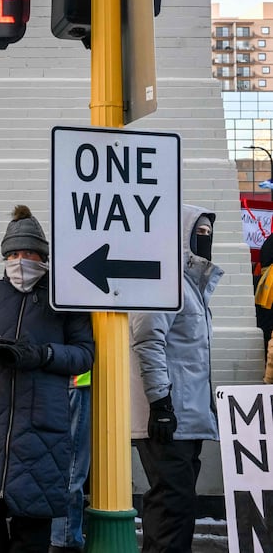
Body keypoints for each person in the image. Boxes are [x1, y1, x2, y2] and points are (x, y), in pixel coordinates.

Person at [0, 205, 94, 553]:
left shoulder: (63, 297)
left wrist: (43, 354)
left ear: (42, 256)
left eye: (27, 253)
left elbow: (85, 354)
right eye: (12, 254)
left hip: (40, 433)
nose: (19, 261)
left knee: (31, 538)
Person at [130, 204, 221, 553]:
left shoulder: (189, 285)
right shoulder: (164, 279)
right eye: (198, 233)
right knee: (172, 508)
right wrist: (161, 403)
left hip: (185, 419)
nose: (205, 240)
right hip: (169, 419)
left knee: (175, 508)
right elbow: (147, 340)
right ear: (181, 236)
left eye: (209, 234)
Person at [49, 370, 91, 553]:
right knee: (73, 467)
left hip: (58, 382)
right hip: (78, 381)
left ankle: (61, 537)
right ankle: (65, 539)